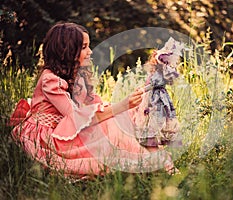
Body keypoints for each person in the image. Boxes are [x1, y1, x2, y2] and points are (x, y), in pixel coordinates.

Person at [10, 22, 176, 178]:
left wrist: (130, 104)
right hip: (50, 135)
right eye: (84, 47)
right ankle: (151, 162)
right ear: (67, 52)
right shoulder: (50, 80)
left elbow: (94, 106)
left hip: (67, 128)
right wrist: (122, 105)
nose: (90, 51)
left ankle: (155, 160)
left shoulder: (76, 76)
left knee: (117, 118)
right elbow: (76, 117)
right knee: (108, 125)